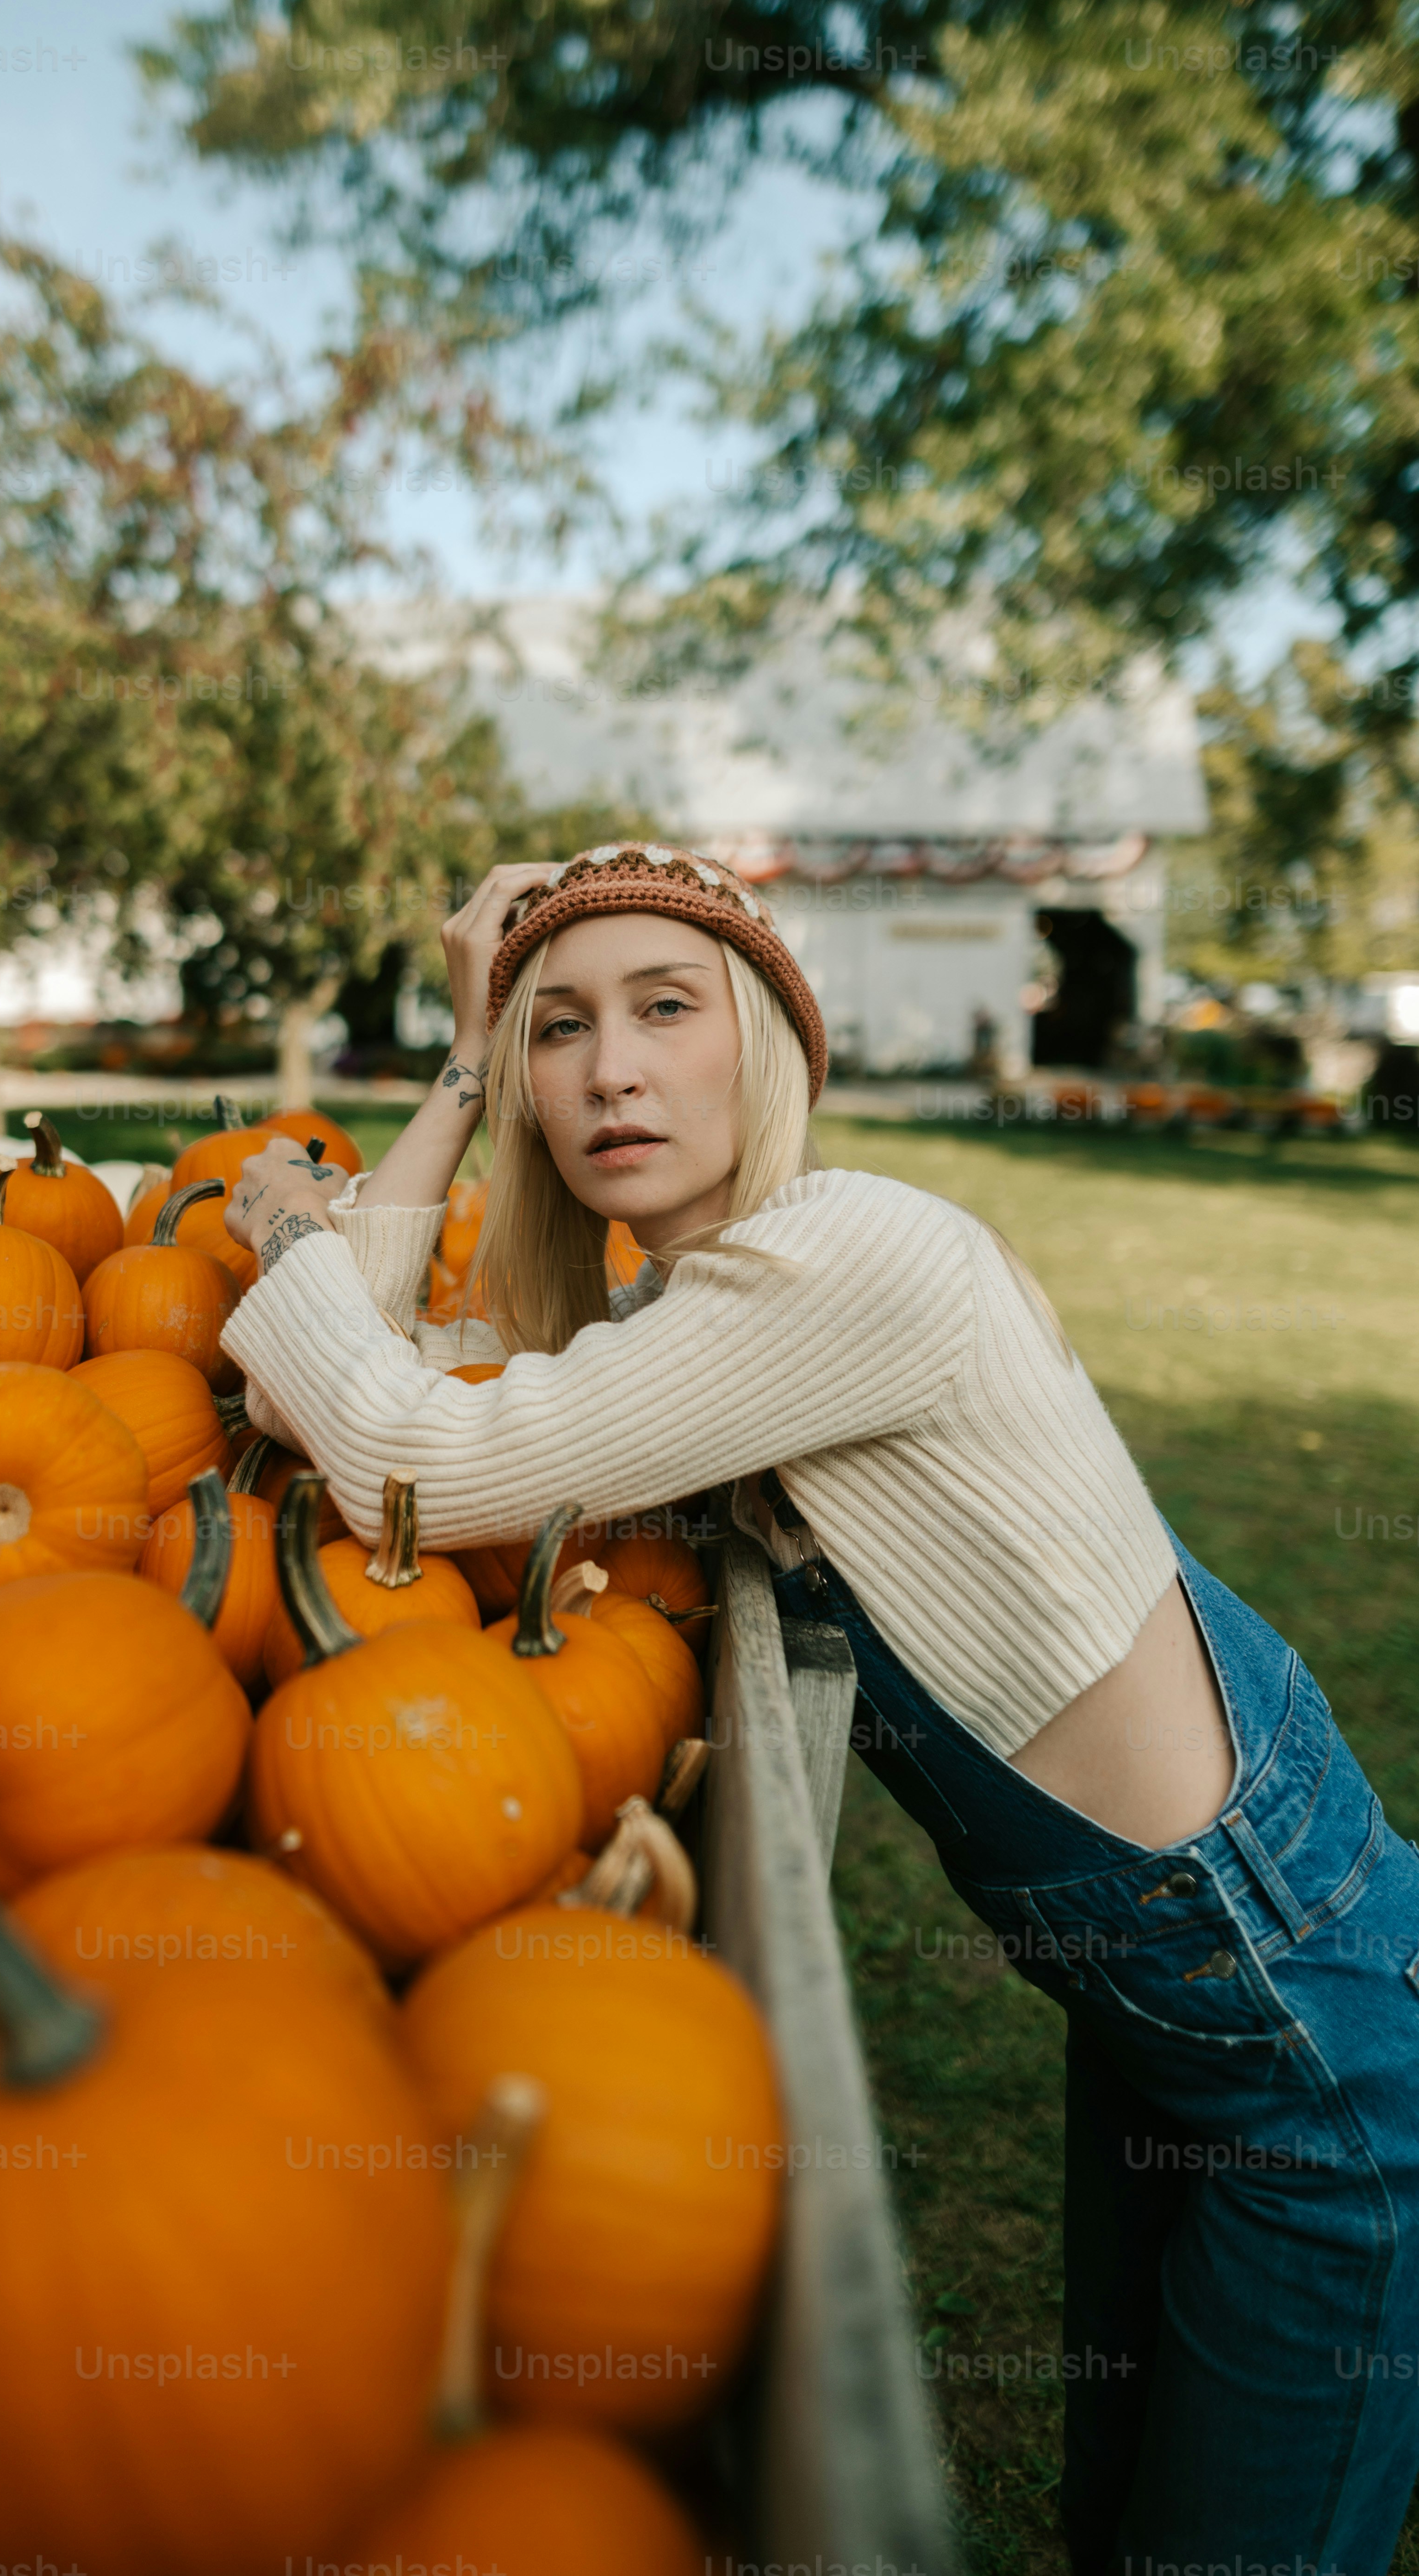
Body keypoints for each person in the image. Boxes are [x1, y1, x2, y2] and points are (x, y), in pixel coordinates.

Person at [222, 840, 1419, 2576]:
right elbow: (408, 1369)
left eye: (663, 1009)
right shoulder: (695, 1310)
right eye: (558, 1032)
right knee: (1137, 2515)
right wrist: (463, 1073)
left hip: (1292, 2031)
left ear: (763, 1048)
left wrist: (281, 1223)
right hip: (1185, 1996)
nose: (609, 1067)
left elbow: (410, 1458)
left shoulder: (845, 1262)